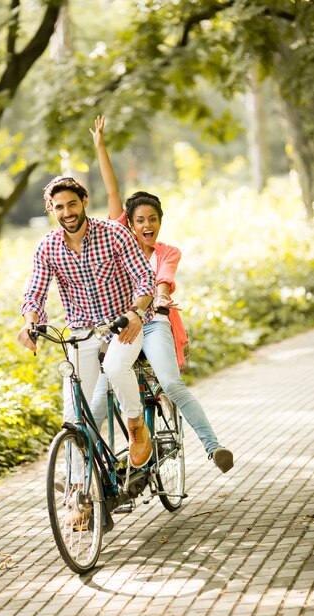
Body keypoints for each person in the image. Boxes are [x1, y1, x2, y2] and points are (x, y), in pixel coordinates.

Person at [90, 115, 234, 473]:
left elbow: (164, 279)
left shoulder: (167, 252)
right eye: (140, 220)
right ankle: (83, 471)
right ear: (129, 223)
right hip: (122, 324)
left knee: (170, 382)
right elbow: (112, 193)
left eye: (153, 218)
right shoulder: (118, 237)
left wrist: (162, 296)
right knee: (97, 397)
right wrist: (101, 148)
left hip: (153, 322)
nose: (147, 225)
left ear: (160, 220)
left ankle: (213, 447)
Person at [17, 175, 156, 470]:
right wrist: (30, 323)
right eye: (59, 207)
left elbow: (145, 277)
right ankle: (79, 495)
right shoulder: (47, 248)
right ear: (50, 209)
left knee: (116, 366)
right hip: (81, 333)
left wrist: (135, 312)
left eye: (72, 204)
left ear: (84, 202)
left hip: (122, 324)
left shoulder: (114, 233)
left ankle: (135, 425)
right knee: (73, 414)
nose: (67, 212)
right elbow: (34, 292)